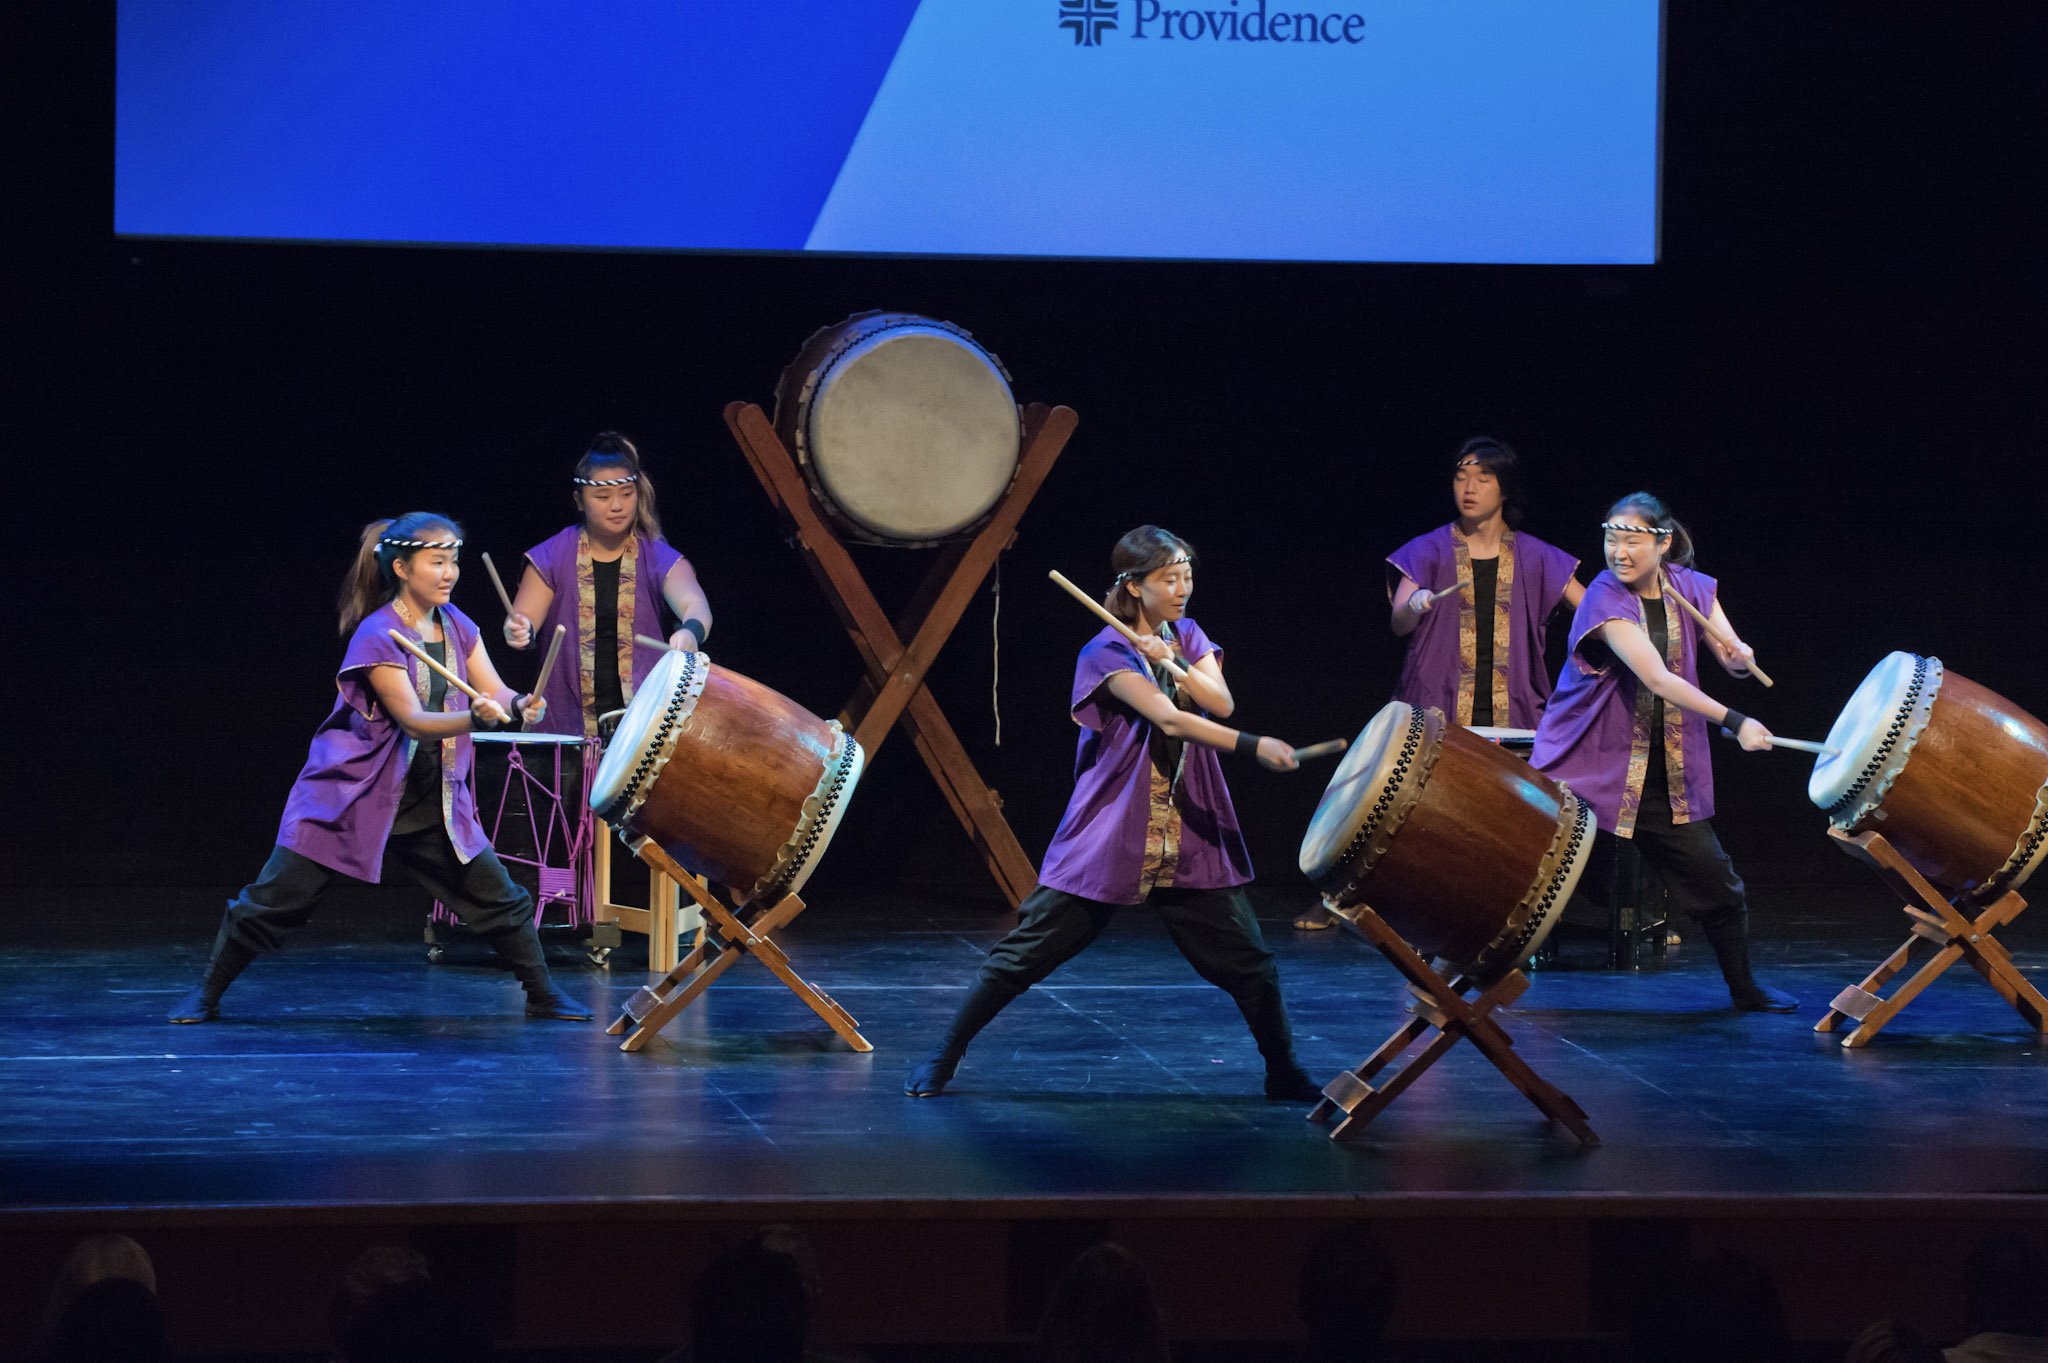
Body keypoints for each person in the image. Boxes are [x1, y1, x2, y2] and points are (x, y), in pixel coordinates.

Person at [904, 526, 1322, 1101]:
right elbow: (1171, 721)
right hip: (1113, 827)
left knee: (1251, 964)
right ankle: (942, 1056)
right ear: (1134, 586)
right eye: (1169, 579)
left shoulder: (1189, 634)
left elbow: (1221, 703)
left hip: (1188, 830)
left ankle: (1284, 1071)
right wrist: (1252, 746)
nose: (1183, 589)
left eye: (1188, 576)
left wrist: (1173, 660)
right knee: (1022, 957)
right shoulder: (1104, 651)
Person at [168, 513, 590, 1024]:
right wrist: (471, 716)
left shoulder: (458, 625)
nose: (449, 572)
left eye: (453, 560)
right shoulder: (379, 635)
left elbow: (494, 691)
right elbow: (412, 720)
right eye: (437, 561)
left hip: (429, 796)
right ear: (402, 568)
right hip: (353, 793)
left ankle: (542, 994)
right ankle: (207, 993)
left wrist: (522, 703)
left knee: (498, 896)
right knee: (276, 900)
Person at [1301, 436, 1584, 929]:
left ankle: (1509, 908)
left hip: (1515, 707)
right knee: (1396, 810)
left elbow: (1594, 614)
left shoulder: (1538, 556)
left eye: (1483, 477)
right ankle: (1343, 898)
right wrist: (1413, 605)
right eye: (1461, 476)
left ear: (1505, 488)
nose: (1469, 488)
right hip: (1435, 701)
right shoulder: (1426, 550)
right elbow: (1399, 622)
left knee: (1516, 819)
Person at [1531, 492, 1797, 1012]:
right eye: (1612, 538)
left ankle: (1744, 989)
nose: (1619, 552)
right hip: (1589, 766)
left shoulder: (1691, 588)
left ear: (1663, 542)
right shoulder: (1603, 598)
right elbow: (1656, 676)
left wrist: (1740, 658)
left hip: (1663, 774)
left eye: (1632, 540)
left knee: (1717, 882)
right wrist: (1735, 720)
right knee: (1528, 876)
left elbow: (1730, 657)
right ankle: (1453, 972)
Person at [504, 431, 711, 738]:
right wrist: (518, 629)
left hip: (642, 721)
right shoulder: (552, 555)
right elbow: (524, 619)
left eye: (627, 494)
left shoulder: (654, 554)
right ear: (579, 500)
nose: (617, 506)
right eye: (603, 497)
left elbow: (696, 606)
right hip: (567, 723)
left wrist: (690, 632)